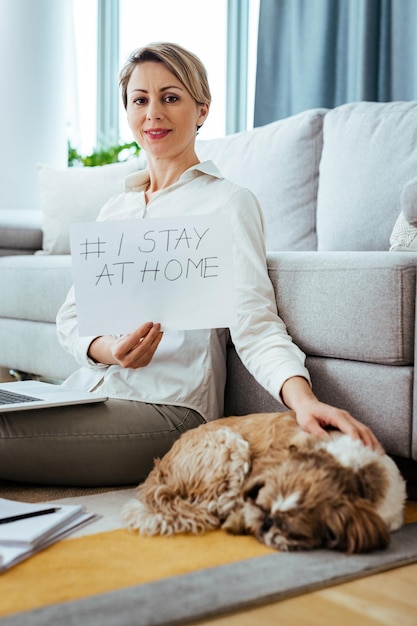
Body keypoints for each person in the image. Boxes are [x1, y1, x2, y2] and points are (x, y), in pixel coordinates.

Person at [0, 42, 380, 487]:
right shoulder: (115, 210)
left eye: (171, 97)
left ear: (201, 110)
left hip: (169, 411)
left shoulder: (227, 202)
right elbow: (71, 319)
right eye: (140, 100)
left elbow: (255, 323)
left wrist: (303, 400)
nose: (153, 113)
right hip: (89, 391)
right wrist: (109, 351)